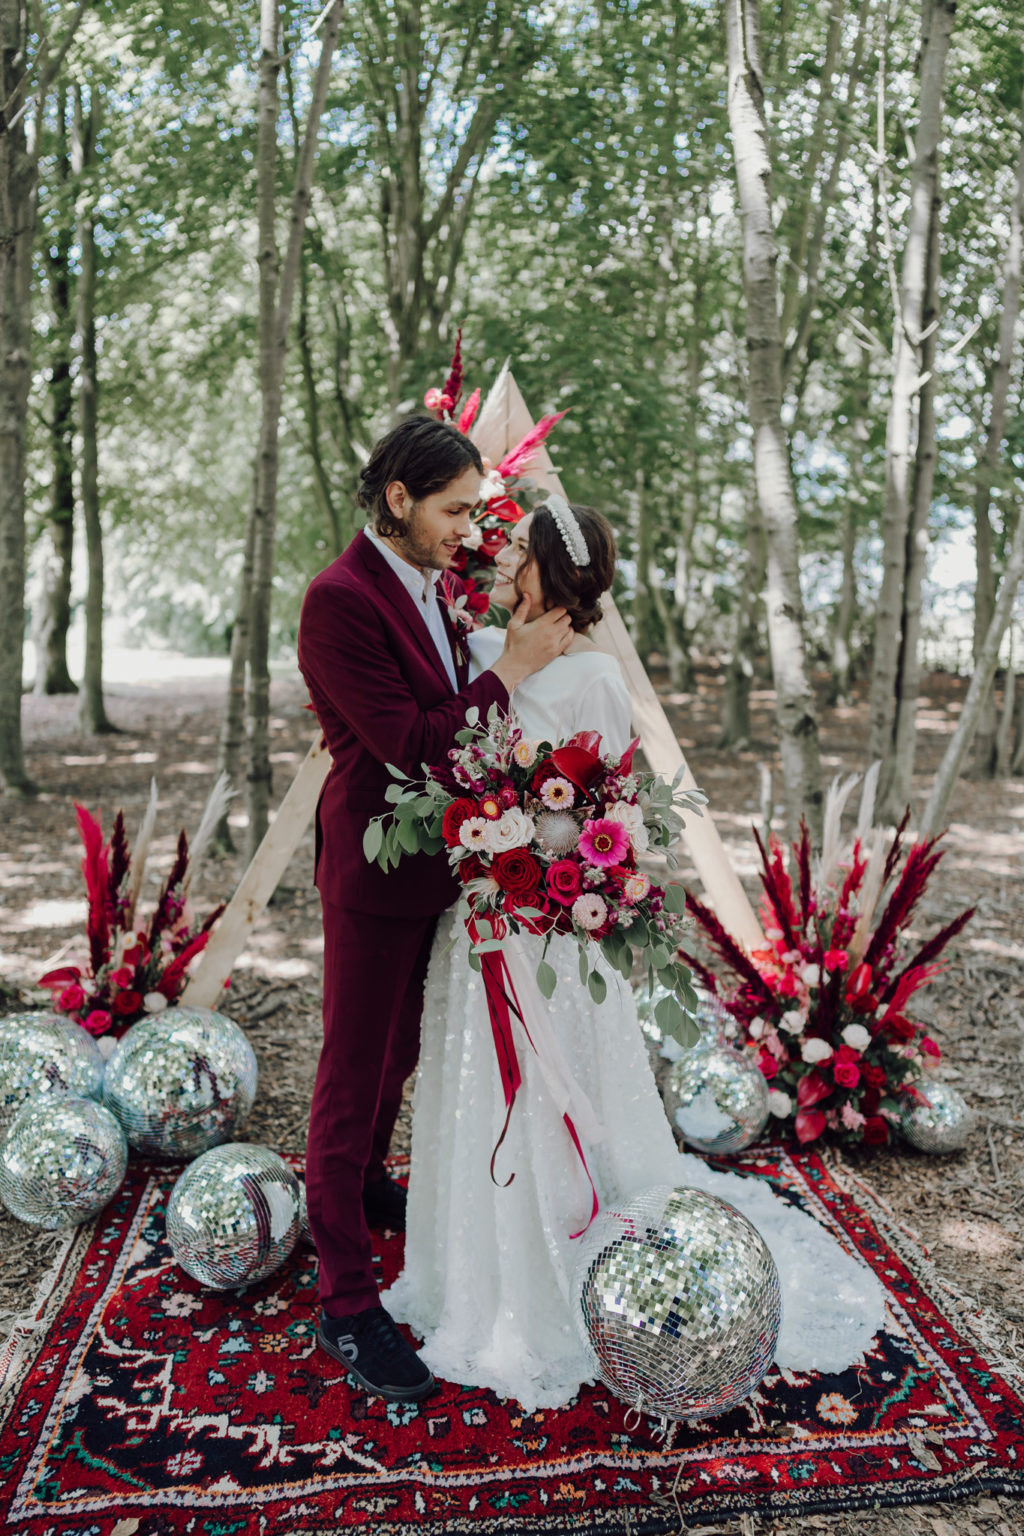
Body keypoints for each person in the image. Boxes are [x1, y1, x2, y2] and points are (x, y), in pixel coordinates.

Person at [382, 497, 886, 1413]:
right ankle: (478, 1271)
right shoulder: (486, 656)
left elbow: (601, 818)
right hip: (481, 921)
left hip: (548, 930)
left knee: (555, 1084)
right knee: (476, 1088)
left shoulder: (597, 683)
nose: (503, 567)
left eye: (518, 556)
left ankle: (575, 1259)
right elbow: (449, 751)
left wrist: (538, 867)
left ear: (549, 573)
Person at [296, 416, 573, 1404]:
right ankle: (346, 1297)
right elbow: (415, 745)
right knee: (350, 1071)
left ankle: (370, 1180)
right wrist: (517, 672)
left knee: (402, 1058)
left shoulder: (431, 584)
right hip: (371, 879)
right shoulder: (335, 602)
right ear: (399, 498)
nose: (468, 527)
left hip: (442, 872)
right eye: (455, 508)